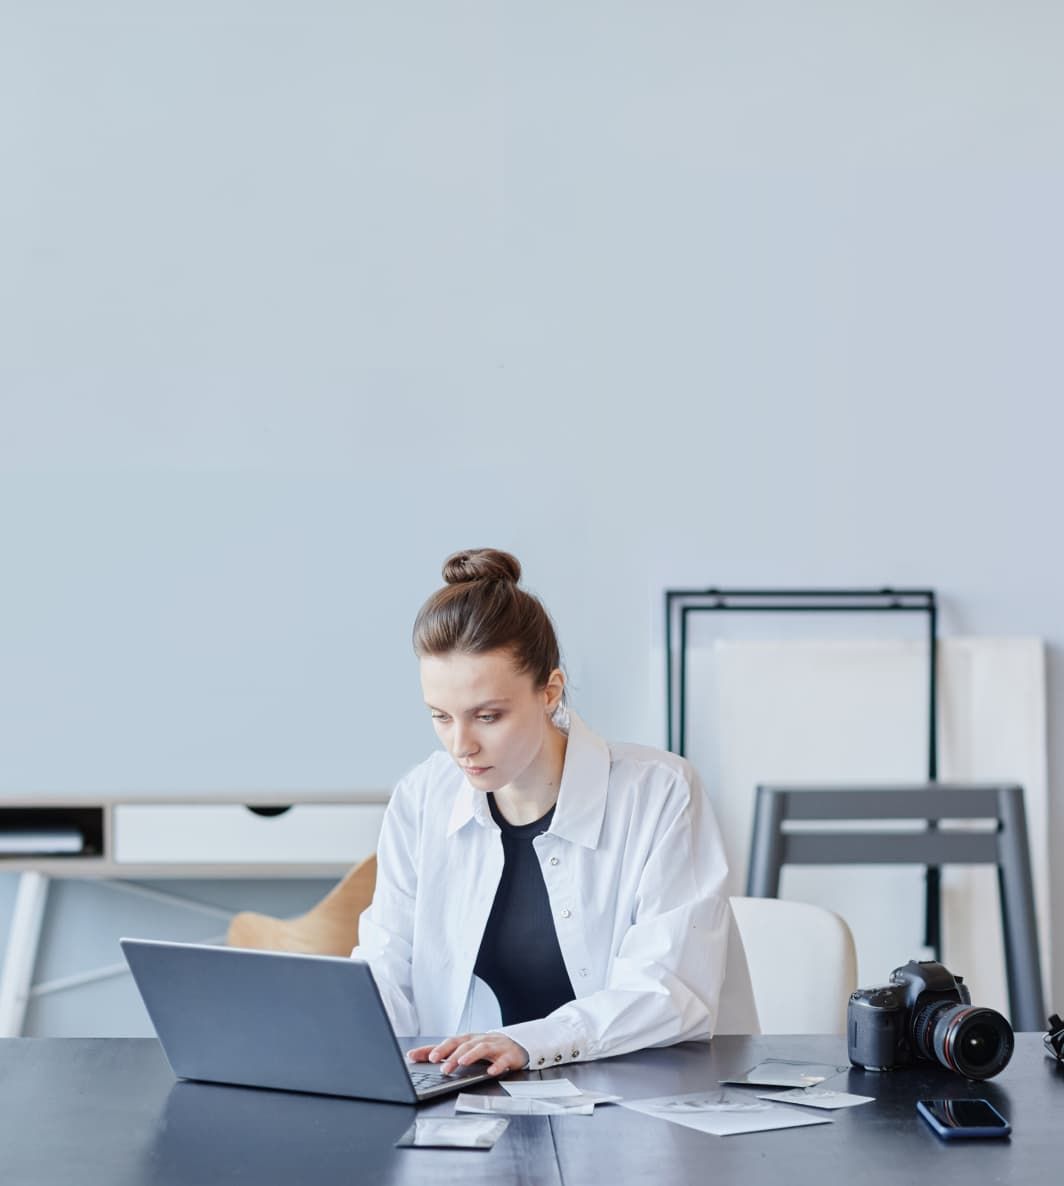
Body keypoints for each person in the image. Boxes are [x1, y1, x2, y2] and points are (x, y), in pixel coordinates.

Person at [352, 548, 729, 1078]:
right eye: (440, 716)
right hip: (462, 1093)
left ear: (549, 691)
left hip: (631, 1097)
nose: (461, 745)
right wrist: (337, 1027)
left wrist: (531, 1042)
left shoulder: (660, 792)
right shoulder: (421, 797)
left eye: (488, 716)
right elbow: (388, 964)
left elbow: (667, 990)